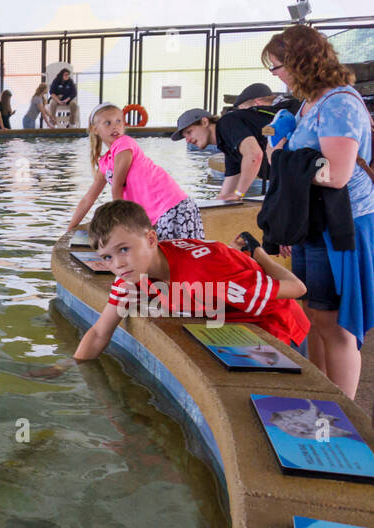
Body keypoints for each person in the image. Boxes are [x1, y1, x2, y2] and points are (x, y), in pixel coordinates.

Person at [263, 24, 374, 398]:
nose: (275, 75)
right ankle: (320, 397)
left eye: (278, 66)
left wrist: (281, 160)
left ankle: (344, 413)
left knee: (335, 323)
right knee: (311, 312)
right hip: (313, 223)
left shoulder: (340, 103)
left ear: (301, 62)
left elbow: (337, 175)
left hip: (341, 225)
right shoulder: (311, 102)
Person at [72, 200, 309, 362]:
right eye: (107, 257)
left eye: (124, 249)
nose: (118, 264)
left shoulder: (204, 273)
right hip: (228, 319)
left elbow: (297, 288)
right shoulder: (130, 276)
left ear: (151, 239)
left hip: (277, 326)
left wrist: (259, 255)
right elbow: (99, 333)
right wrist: (72, 371)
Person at [65, 103, 203, 241]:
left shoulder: (124, 143)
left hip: (173, 207)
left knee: (181, 258)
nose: (115, 126)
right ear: (94, 129)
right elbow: (88, 198)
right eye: (108, 123)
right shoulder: (106, 162)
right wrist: (70, 230)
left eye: (119, 121)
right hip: (158, 215)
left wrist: (119, 225)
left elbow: (117, 187)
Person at [173, 96, 271, 200]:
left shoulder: (227, 123)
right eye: (185, 136)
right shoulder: (228, 147)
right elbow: (225, 194)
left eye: (189, 132)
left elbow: (254, 155)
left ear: (205, 122)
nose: (187, 140)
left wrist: (238, 194)